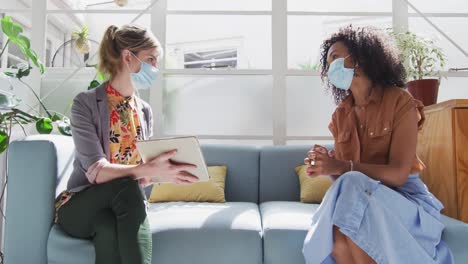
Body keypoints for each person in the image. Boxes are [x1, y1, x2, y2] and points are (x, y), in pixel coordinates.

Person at [302, 25, 454, 264]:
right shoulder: (340, 116)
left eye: (335, 58)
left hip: (402, 200)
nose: (331, 67)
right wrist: (328, 167)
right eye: (328, 63)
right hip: (360, 199)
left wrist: (341, 166)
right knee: (339, 238)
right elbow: (345, 180)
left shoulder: (400, 101)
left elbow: (398, 175)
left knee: (351, 206)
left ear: (360, 58)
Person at [54, 24, 198, 264]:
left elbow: (141, 177)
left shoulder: (144, 111)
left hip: (114, 209)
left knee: (108, 227)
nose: (155, 67)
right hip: (79, 206)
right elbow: (96, 171)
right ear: (128, 57)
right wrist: (144, 171)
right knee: (126, 187)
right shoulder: (86, 104)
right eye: (151, 59)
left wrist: (161, 172)